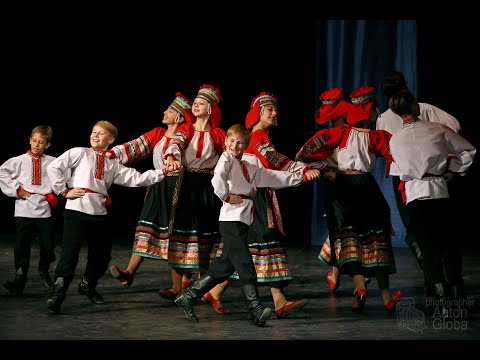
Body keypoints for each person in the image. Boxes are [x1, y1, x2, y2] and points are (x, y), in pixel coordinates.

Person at [174, 124, 319, 326]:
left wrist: (301, 177)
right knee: (245, 265)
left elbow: (275, 177)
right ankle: (256, 310)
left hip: (242, 220)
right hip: (231, 220)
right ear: (226, 142)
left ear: (246, 146)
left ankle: (188, 296)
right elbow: (218, 178)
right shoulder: (226, 158)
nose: (235, 145)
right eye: (232, 141)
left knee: (223, 268)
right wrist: (225, 195)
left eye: (240, 143)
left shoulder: (249, 167)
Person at [206, 92, 324, 318]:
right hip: (255, 198)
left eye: (275, 109)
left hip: (260, 194)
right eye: (269, 109)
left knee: (247, 247)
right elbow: (275, 160)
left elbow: (274, 166)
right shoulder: (257, 136)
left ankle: (216, 290)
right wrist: (303, 171)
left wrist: (307, 170)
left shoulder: (261, 137)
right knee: (261, 242)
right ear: (257, 113)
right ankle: (275, 300)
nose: (274, 113)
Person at [295, 86, 402, 313]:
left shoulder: (340, 134)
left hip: (342, 189)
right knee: (376, 239)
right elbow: (400, 154)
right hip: (366, 186)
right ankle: (385, 297)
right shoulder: (378, 137)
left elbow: (304, 153)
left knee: (348, 238)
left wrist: (323, 169)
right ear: (371, 112)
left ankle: (360, 288)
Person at [45, 120, 167, 315]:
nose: (95, 135)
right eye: (94, 131)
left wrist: (163, 172)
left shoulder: (113, 163)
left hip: (99, 212)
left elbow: (136, 178)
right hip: (76, 209)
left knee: (102, 255)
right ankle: (57, 293)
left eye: (101, 133)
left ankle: (87, 283)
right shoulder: (79, 152)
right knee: (70, 254)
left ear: (110, 139)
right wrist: (63, 191)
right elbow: (54, 167)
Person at [388, 89, 476, 313]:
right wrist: (453, 169)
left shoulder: (395, 139)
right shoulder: (437, 128)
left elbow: (398, 170)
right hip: (439, 191)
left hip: (416, 196)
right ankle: (456, 290)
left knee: (428, 248)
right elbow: (468, 150)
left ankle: (441, 294)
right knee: (449, 244)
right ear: (416, 107)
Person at [376, 70, 462, 296]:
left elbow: (387, 151)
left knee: (419, 231)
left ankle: (434, 280)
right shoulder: (423, 108)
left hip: (408, 179)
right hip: (433, 176)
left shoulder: (385, 118)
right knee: (443, 233)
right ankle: (448, 282)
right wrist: (445, 156)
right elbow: (455, 127)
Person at [107, 92, 195, 289]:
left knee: (176, 234)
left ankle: (183, 280)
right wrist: (113, 153)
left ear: (180, 118)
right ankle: (129, 272)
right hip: (157, 185)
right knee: (145, 227)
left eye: (170, 111)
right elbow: (135, 146)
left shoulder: (187, 135)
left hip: (179, 187)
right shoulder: (157, 134)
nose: (164, 112)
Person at [159, 85, 226, 302]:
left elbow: (227, 157)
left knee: (206, 235)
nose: (195, 105)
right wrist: (171, 157)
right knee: (182, 231)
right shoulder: (186, 129)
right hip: (186, 183)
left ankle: (203, 287)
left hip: (208, 185)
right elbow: (176, 144)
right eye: (195, 102)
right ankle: (177, 287)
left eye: (201, 103)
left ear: (210, 109)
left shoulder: (218, 133)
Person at [0, 125, 57, 295]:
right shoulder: (19, 160)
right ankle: (20, 277)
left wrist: (57, 190)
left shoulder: (53, 161)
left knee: (48, 244)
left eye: (41, 142)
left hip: (43, 209)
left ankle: (43, 269)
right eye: (34, 141)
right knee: (22, 245)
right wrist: (18, 190)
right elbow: (2, 172)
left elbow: (65, 173)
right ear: (30, 140)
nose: (37, 145)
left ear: (47, 145)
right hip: (24, 208)